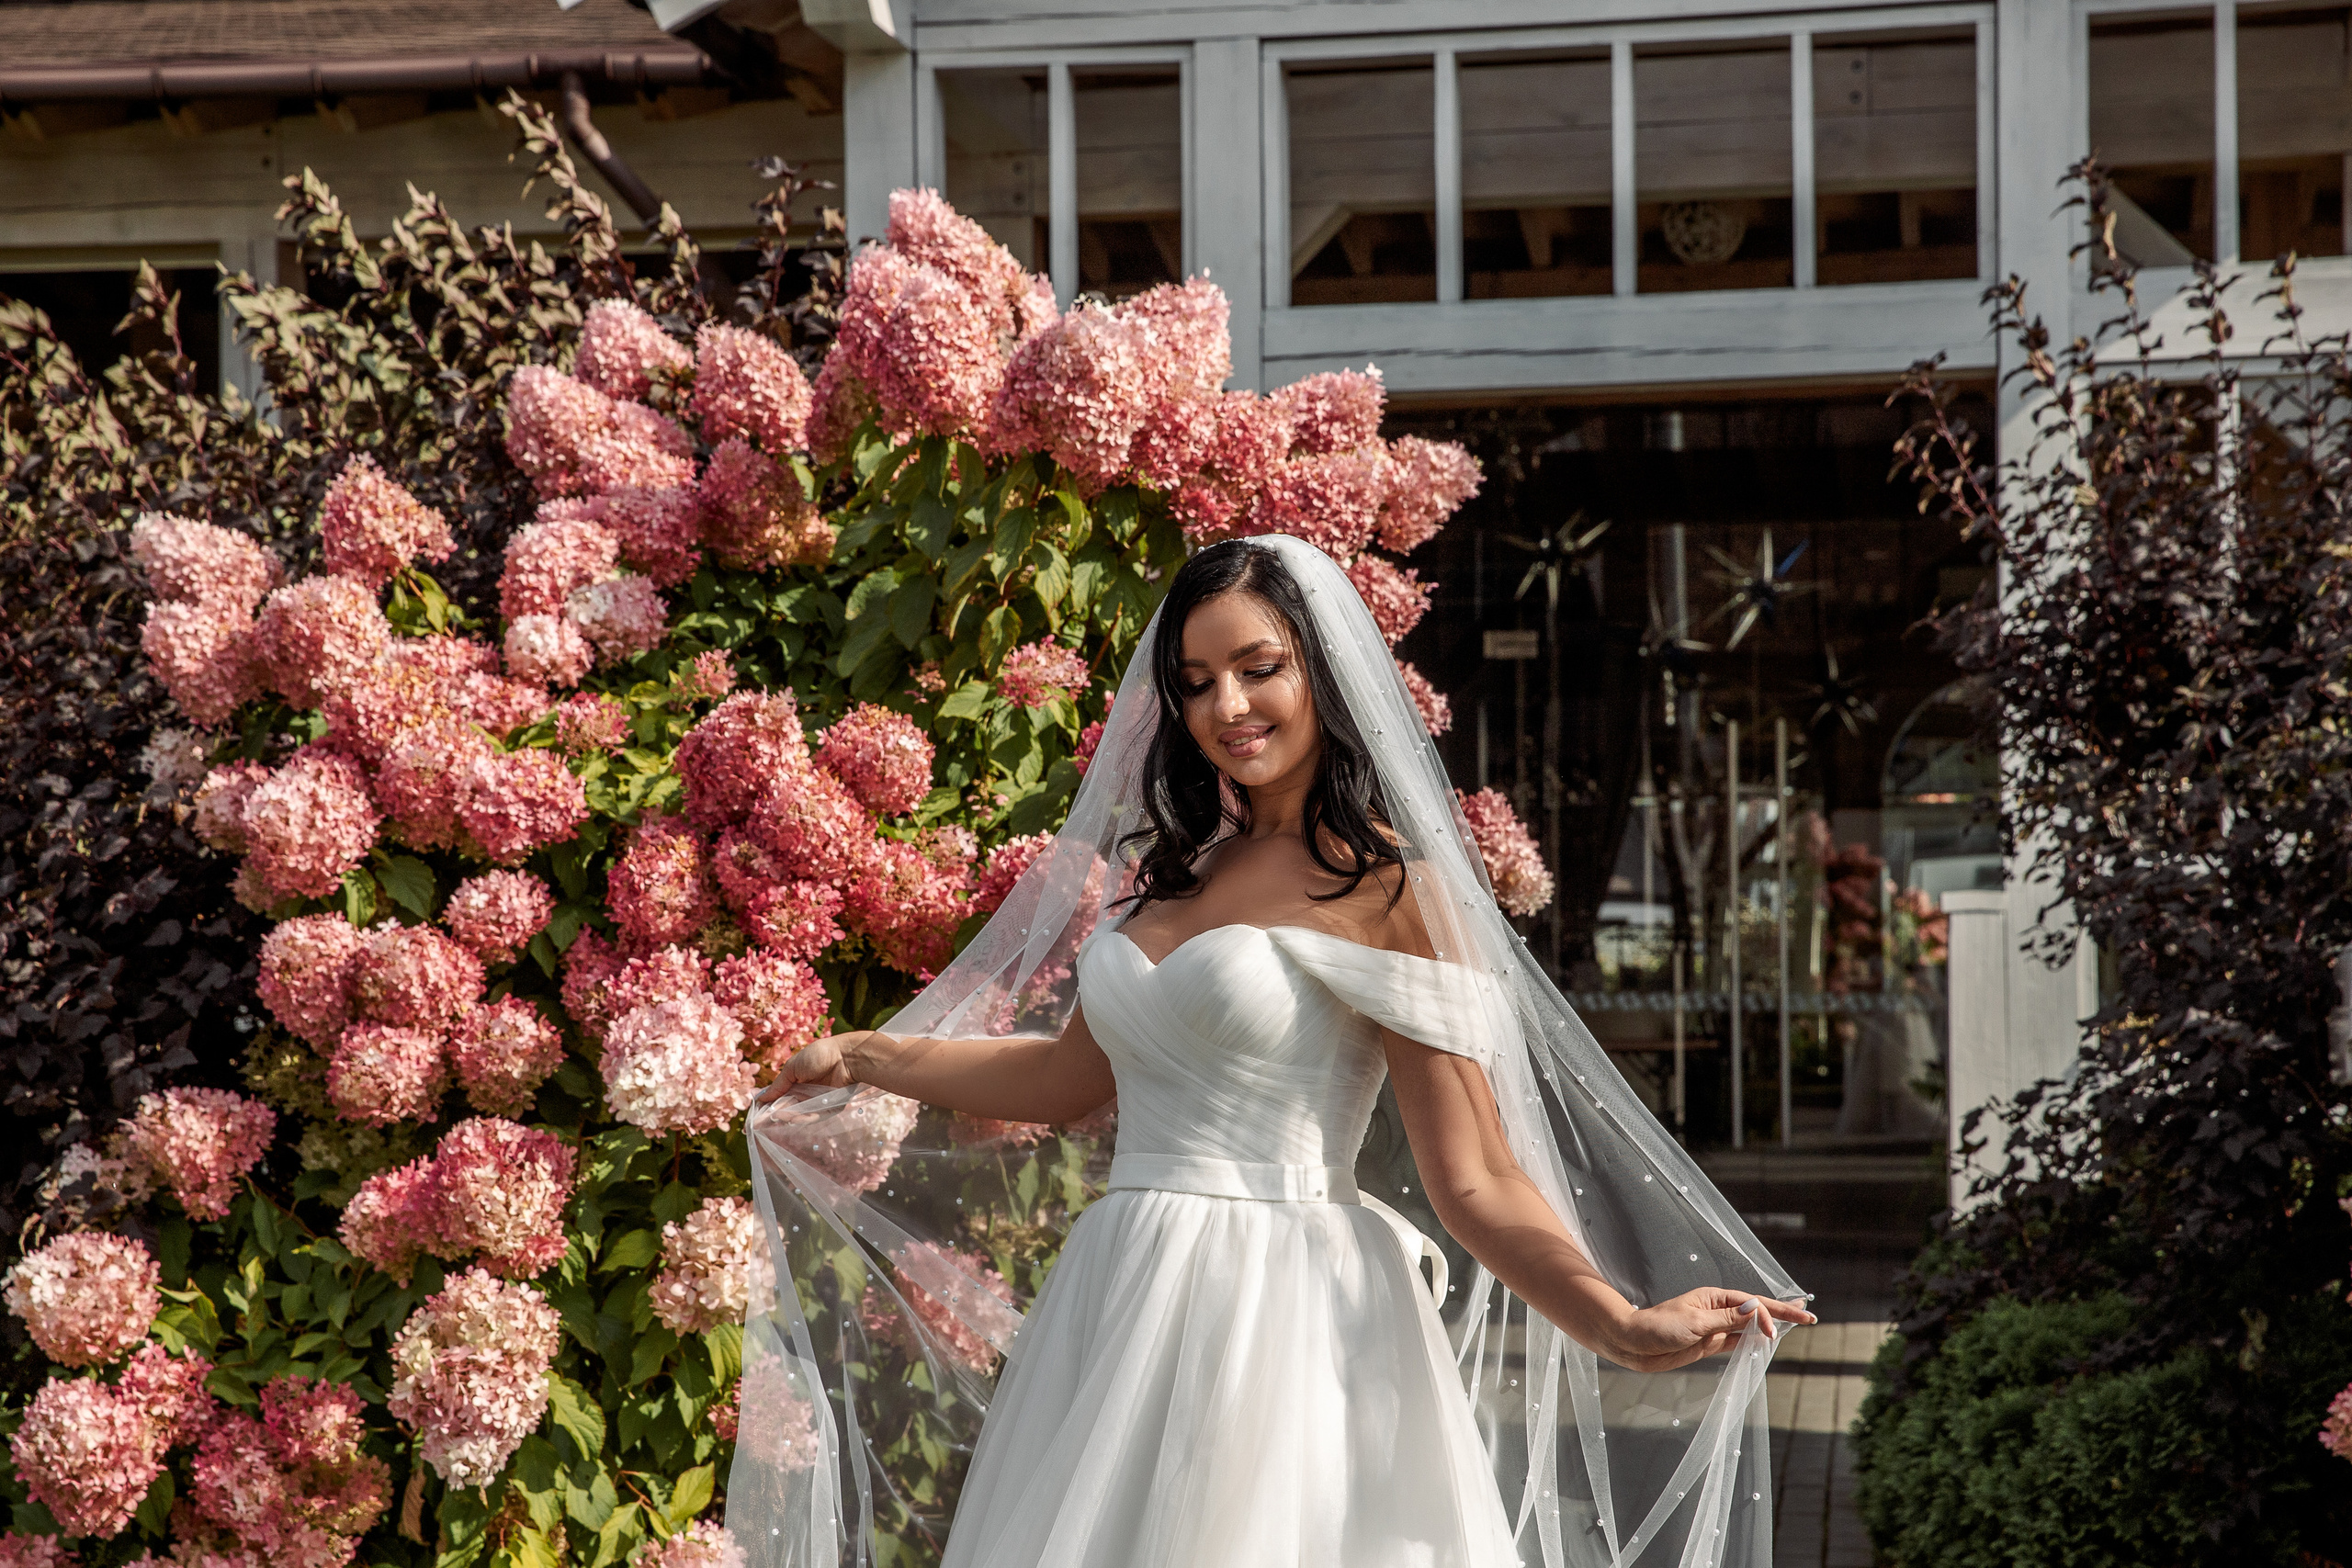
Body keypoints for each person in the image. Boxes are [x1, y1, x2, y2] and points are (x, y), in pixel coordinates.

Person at [733, 536, 1810, 1568]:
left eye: (1259, 668)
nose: (1226, 708)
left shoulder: (1390, 891)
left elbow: (1475, 1175)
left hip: (1287, 1305)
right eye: (1195, 682)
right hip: (1120, 1294)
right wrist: (867, 1055)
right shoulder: (1180, 869)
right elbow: (1065, 1081)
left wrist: (1618, 1323)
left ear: (1326, 671)